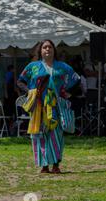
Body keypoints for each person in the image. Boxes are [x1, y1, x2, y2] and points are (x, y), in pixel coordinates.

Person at [17, 39, 80, 174]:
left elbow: (76, 79)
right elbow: (20, 81)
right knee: (39, 135)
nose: (47, 49)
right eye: (44, 47)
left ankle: (56, 165)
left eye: (50, 47)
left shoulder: (62, 66)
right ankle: (44, 165)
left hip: (56, 106)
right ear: (40, 50)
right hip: (38, 107)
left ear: (54, 50)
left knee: (56, 135)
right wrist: (30, 92)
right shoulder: (33, 66)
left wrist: (68, 93)